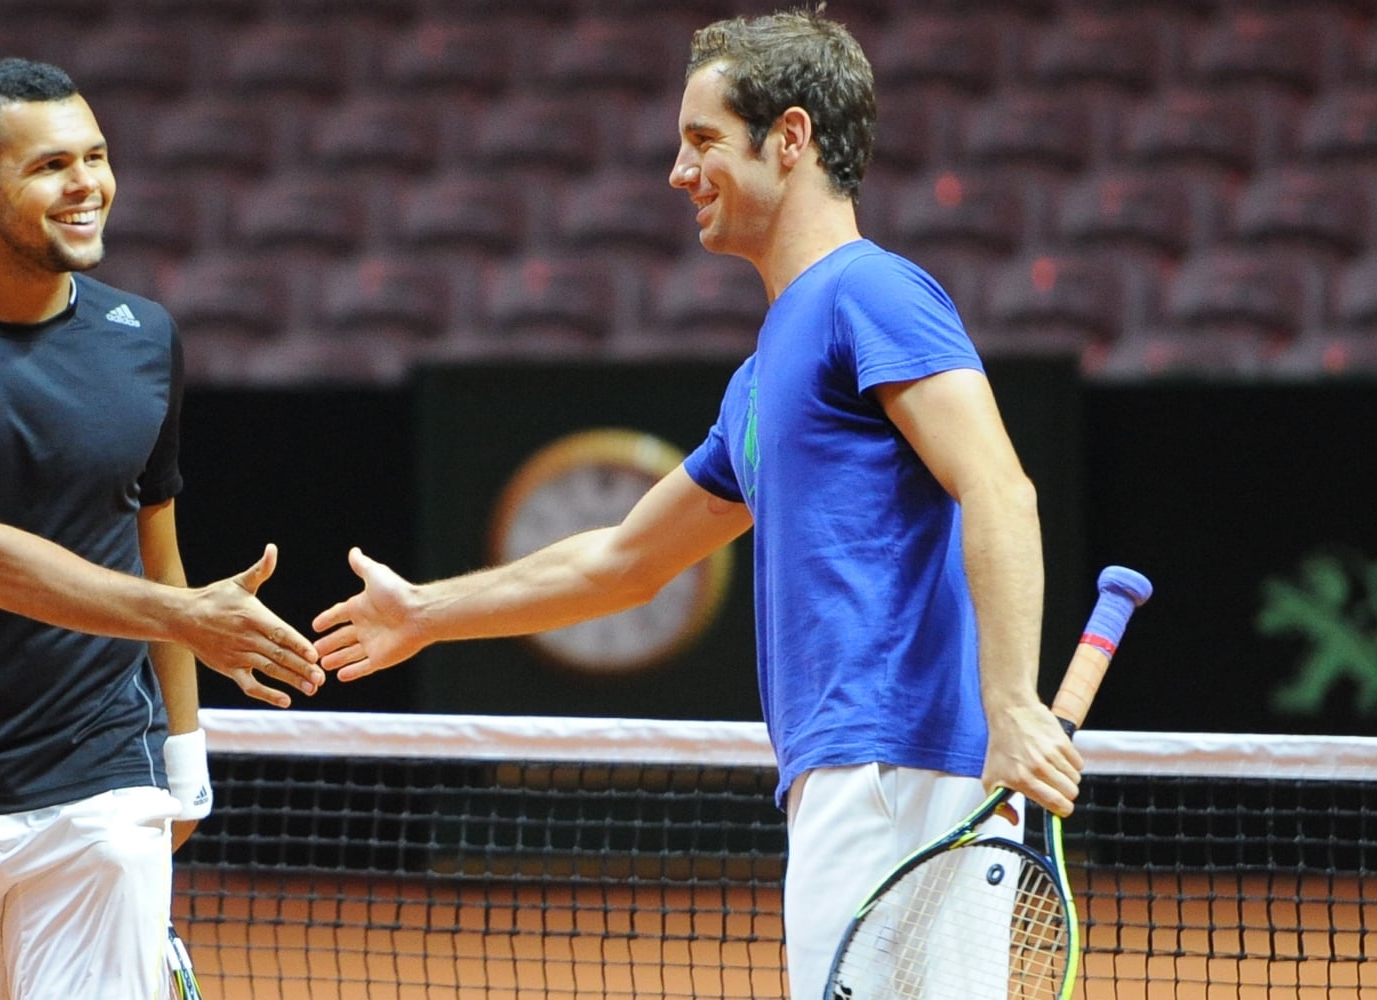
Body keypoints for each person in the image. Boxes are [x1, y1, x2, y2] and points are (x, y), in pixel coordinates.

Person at [311, 9, 1082, 998]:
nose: (679, 173)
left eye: (703, 140)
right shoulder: (761, 378)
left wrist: (1011, 704)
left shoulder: (874, 293)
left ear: (791, 139)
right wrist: (427, 612)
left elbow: (997, 486)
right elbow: (623, 560)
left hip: (896, 765)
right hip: (846, 769)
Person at [0, 57, 323, 999]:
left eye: (96, 155)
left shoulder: (144, 337)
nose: (88, 184)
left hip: (99, 786)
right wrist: (189, 620)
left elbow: (153, 544)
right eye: (51, 165)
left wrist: (184, 748)